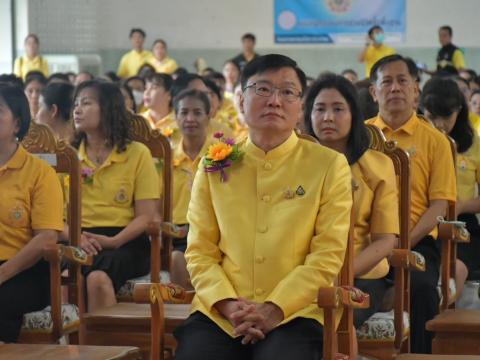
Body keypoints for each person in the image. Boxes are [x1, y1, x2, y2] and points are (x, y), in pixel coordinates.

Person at [174, 54, 352, 360]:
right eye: (263, 89)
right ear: (241, 100)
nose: (274, 101)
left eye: (287, 92)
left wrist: (274, 308)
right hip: (220, 311)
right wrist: (228, 305)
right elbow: (199, 251)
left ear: (300, 107)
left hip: (298, 311)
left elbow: (327, 255)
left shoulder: (329, 165)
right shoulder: (213, 163)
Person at [366, 54, 457, 353]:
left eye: (402, 81)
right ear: (373, 91)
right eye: (386, 82)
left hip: (416, 241)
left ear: (416, 90)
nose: (395, 88)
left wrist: (402, 242)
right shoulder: (359, 137)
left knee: (421, 291)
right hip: (363, 242)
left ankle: (420, 356)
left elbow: (439, 205)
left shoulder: (435, 141)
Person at [305, 74, 398, 328]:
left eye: (338, 109)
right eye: (319, 109)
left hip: (360, 275)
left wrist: (339, 274)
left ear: (354, 116)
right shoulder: (296, 164)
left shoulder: (377, 167)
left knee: (320, 324)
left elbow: (385, 240)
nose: (327, 118)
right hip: (301, 275)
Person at [71, 80, 160, 312]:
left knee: (97, 278)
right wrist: (75, 237)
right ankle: (70, 347)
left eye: (86, 103)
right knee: (65, 275)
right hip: (78, 239)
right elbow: (53, 216)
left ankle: (108, 348)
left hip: (126, 241)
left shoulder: (137, 153)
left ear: (108, 108)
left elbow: (146, 216)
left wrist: (115, 241)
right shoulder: (68, 156)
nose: (77, 110)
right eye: (76, 104)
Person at [0, 84, 64, 342]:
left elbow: (47, 237)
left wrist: (3, 273)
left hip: (24, 271)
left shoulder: (39, 172)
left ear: (17, 124)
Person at [420, 77, 478, 283]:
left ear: (460, 111)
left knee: (455, 270)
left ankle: (438, 308)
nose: (439, 125)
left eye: (447, 117)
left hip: (460, 222)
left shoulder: (474, 145)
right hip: (420, 221)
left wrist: (460, 205)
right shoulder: (414, 142)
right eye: (432, 117)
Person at [169, 89, 214, 288]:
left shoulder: (222, 155)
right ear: (175, 117)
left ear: (209, 116)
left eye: (197, 112)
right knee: (177, 257)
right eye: (184, 112)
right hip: (177, 232)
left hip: (214, 230)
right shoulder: (165, 159)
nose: (190, 118)